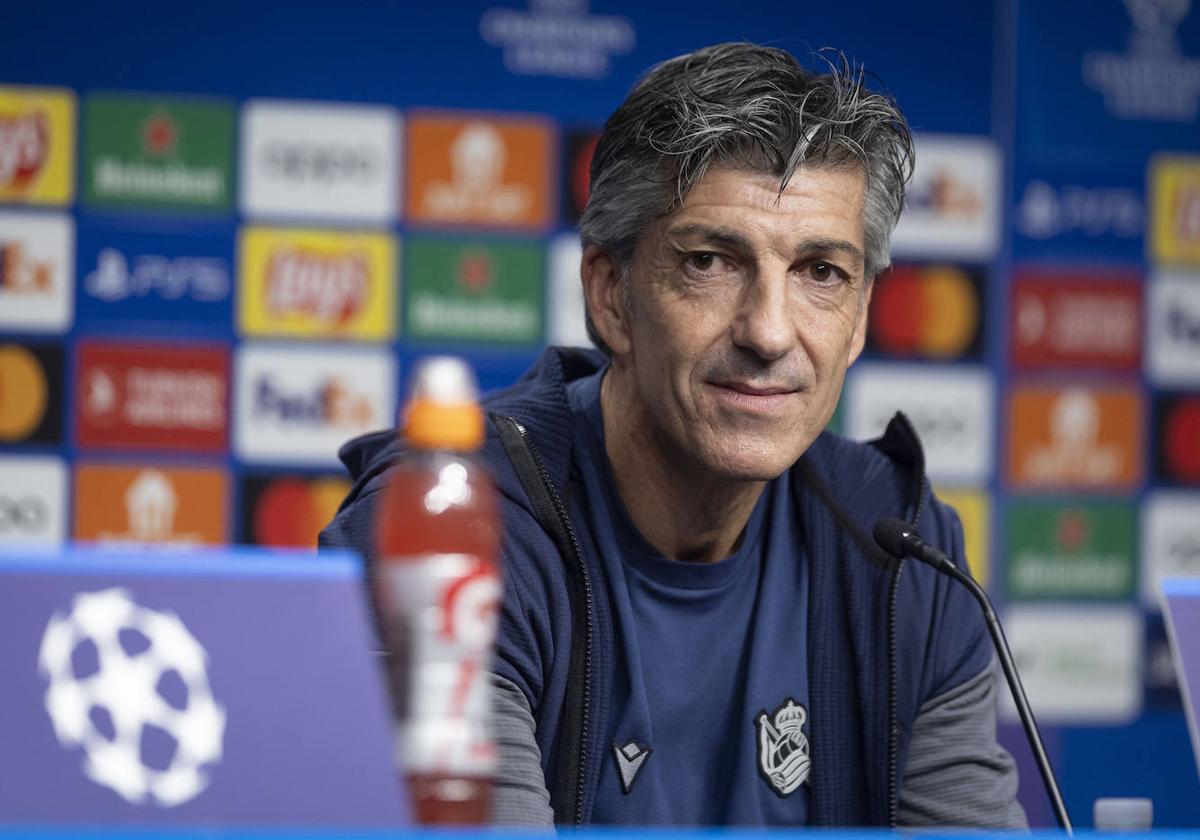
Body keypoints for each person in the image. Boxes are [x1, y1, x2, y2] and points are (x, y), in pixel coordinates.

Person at [321, 42, 1027, 828]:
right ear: (611, 295)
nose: (768, 330)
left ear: (860, 318)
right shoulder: (450, 537)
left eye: (821, 273)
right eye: (710, 261)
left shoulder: (898, 551)